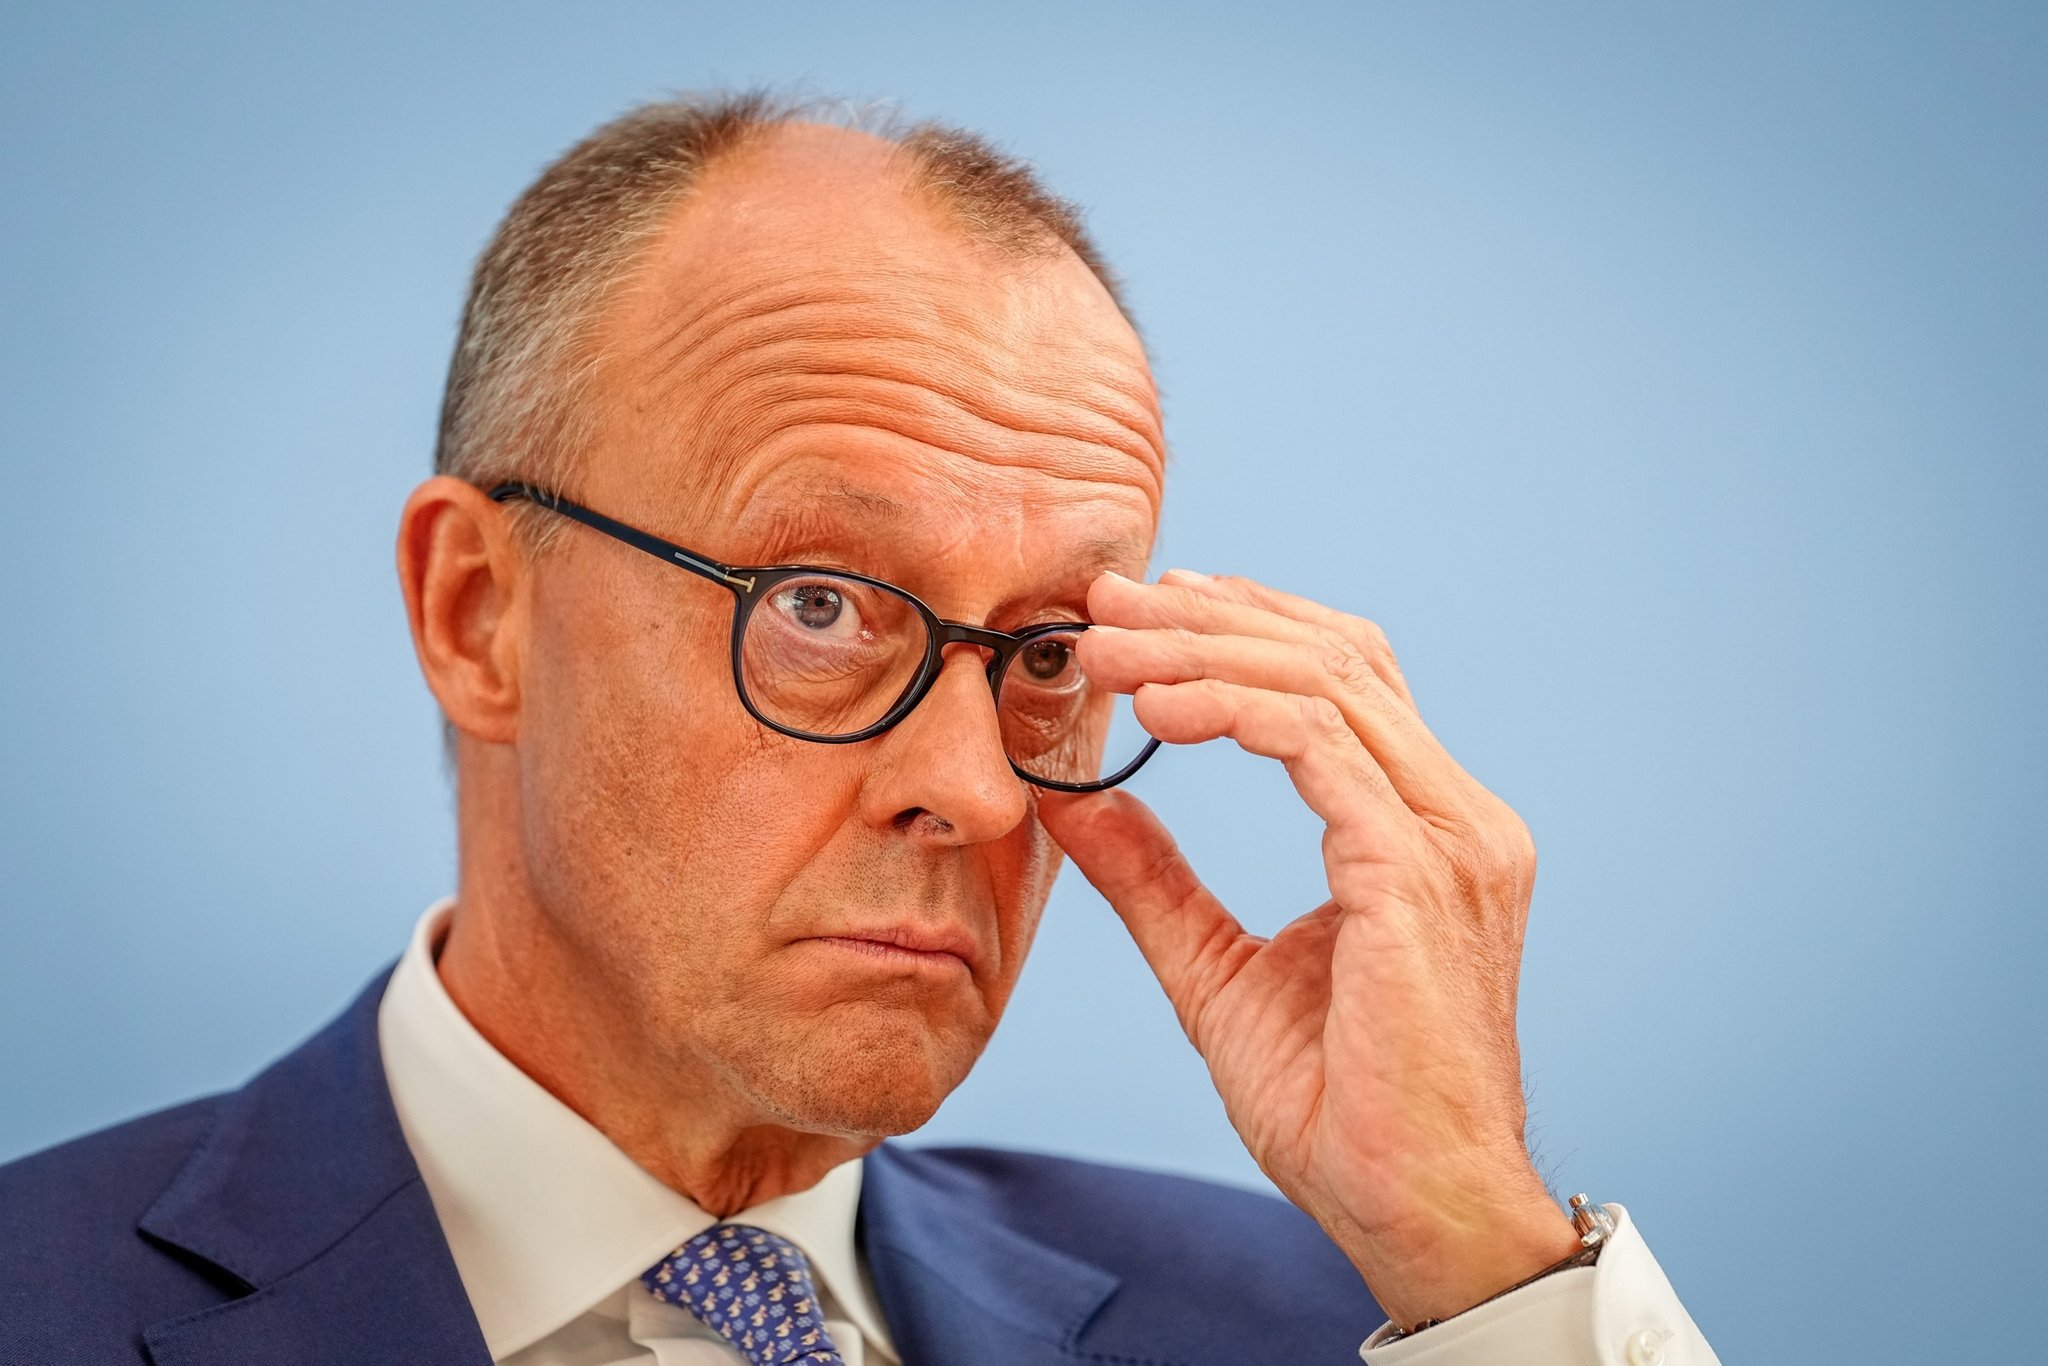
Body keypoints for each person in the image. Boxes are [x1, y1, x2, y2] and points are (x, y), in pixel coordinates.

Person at [0, 92, 1719, 1365]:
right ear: (478, 614)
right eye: (816, 601)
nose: (974, 790)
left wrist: (1483, 1259)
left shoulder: (1347, 1323)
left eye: (1048, 648)